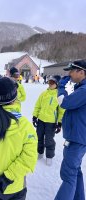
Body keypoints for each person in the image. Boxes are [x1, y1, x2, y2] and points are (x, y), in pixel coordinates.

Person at [55, 61, 86, 200]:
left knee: (68, 174)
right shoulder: (81, 88)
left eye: (72, 70)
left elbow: (64, 102)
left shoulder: (84, 90)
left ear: (81, 72)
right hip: (78, 137)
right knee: (75, 171)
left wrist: (61, 86)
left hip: (77, 139)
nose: (69, 74)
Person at [32, 75, 65, 166]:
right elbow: (37, 105)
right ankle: (40, 152)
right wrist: (35, 116)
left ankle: (49, 156)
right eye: (49, 82)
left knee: (49, 140)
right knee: (39, 137)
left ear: (57, 84)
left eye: (52, 82)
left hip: (51, 122)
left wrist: (59, 123)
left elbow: (61, 111)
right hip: (41, 120)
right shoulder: (44, 93)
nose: (50, 84)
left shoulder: (59, 95)